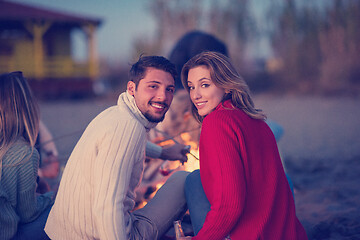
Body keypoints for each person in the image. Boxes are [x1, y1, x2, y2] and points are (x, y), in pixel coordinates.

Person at [45, 55, 190, 240]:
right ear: (132, 88)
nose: (163, 96)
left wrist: (163, 152)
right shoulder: (129, 128)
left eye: (169, 89)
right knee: (185, 180)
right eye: (153, 86)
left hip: (65, 232)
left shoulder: (115, 115)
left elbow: (126, 144)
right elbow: (108, 206)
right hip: (102, 234)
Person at [181, 52, 307, 239]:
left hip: (249, 234)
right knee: (198, 178)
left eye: (205, 85)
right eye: (191, 87)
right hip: (285, 234)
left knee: (192, 181)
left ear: (227, 86)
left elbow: (230, 206)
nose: (195, 95)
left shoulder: (216, 122)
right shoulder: (257, 121)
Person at [0, 71, 54, 240]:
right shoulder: (25, 153)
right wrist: (51, 197)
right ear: (27, 108)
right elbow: (27, 214)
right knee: (64, 212)